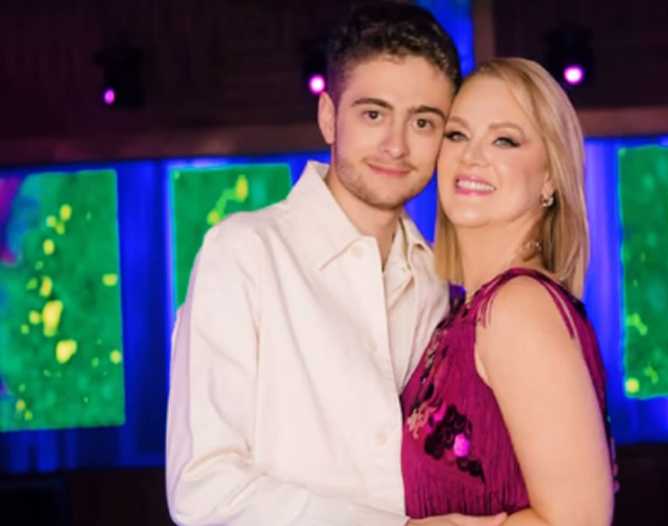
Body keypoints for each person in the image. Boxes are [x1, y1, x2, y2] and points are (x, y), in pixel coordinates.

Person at [166, 3, 506, 525]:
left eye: (422, 122)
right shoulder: (243, 254)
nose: (396, 145)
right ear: (329, 116)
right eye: (373, 114)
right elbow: (203, 489)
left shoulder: (437, 279)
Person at [400, 58, 618, 524]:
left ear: (550, 176)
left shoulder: (517, 308)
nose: (471, 156)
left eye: (504, 140)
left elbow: (577, 521)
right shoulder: (462, 313)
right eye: (457, 135)